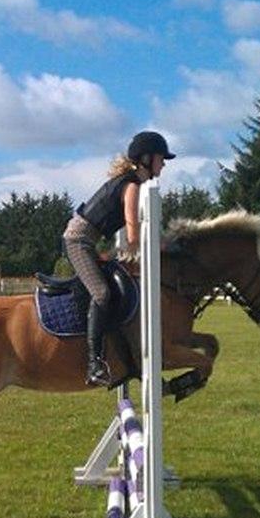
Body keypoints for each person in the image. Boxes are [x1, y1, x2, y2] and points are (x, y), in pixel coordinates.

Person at [63, 130, 176, 387]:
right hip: (77, 241)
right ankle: (94, 364)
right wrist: (162, 248)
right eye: (161, 158)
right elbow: (133, 235)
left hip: (88, 242)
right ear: (147, 159)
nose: (164, 163)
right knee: (102, 294)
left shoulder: (132, 183)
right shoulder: (132, 187)